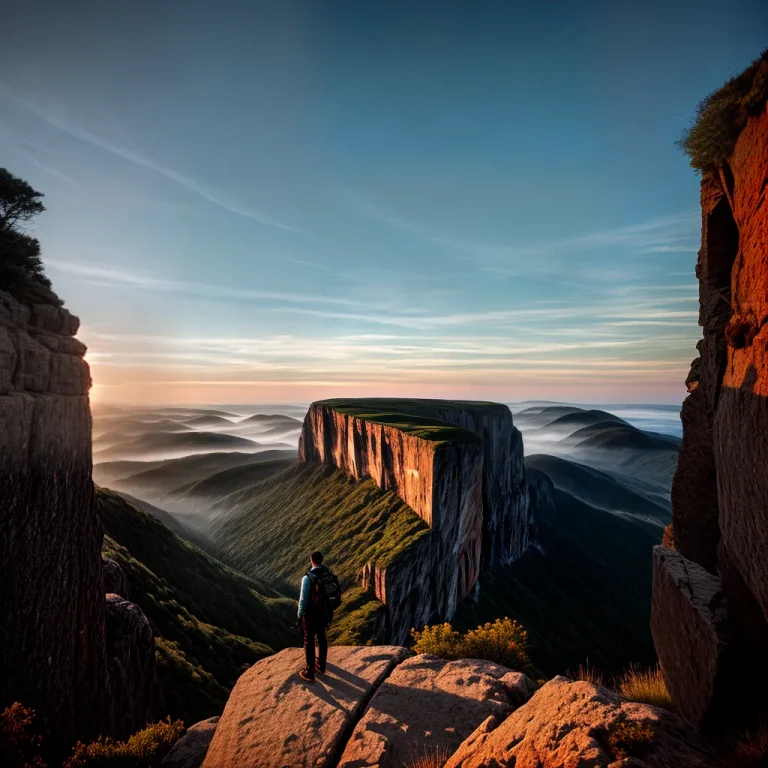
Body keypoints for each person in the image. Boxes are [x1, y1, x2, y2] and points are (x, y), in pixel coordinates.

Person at [297, 550, 331, 682]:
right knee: (322, 637)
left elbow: (303, 599)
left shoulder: (308, 578)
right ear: (321, 560)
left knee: (309, 640)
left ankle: (309, 671)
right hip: (325, 612)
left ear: (312, 560)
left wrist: (300, 614)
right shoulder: (328, 573)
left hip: (311, 614)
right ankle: (321, 665)